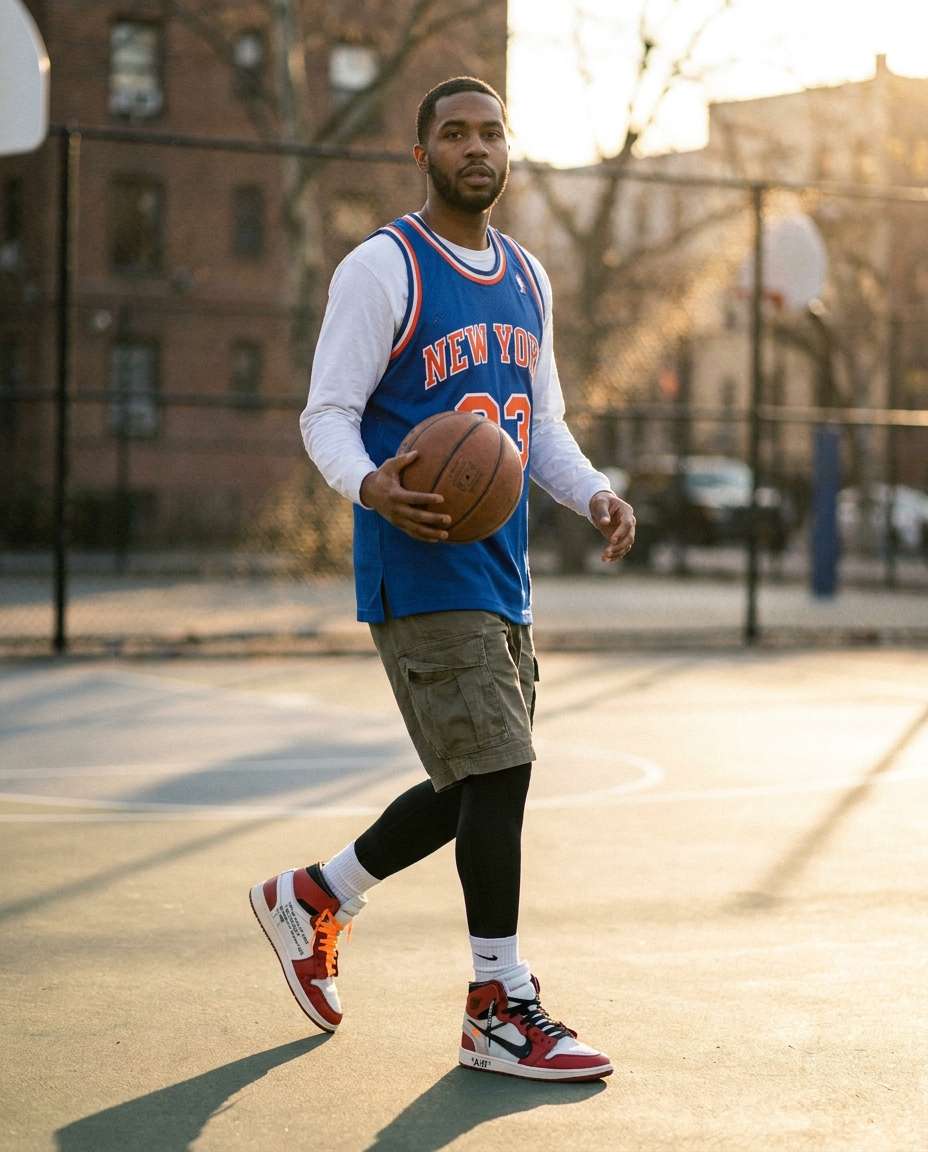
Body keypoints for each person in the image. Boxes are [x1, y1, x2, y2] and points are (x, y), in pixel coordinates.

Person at [250, 76, 635, 1083]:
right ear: (420, 154)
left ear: (510, 149)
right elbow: (324, 414)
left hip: (500, 574)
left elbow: (536, 422)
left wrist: (591, 493)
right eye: (454, 133)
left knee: (475, 779)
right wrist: (374, 487)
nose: (475, 146)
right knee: (501, 772)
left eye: (490, 131)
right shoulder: (383, 267)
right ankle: (495, 1006)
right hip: (418, 569)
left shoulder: (528, 278)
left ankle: (315, 894)